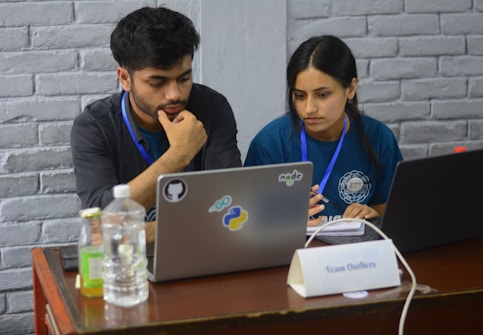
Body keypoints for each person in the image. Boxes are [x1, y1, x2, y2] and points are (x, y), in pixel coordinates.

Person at [71, 7, 242, 242]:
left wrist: (141, 231)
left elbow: (231, 207)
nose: (174, 94)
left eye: (184, 78)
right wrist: (180, 154)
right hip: (126, 263)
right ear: (124, 78)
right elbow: (100, 222)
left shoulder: (212, 108)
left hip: (200, 250)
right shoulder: (94, 126)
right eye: (157, 82)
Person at [245, 35, 402, 227]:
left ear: (351, 89)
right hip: (290, 254)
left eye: (322, 95)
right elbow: (247, 221)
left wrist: (371, 215)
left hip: (354, 253)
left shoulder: (379, 138)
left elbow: (392, 213)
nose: (309, 108)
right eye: (300, 96)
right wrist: (283, 222)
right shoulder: (269, 144)